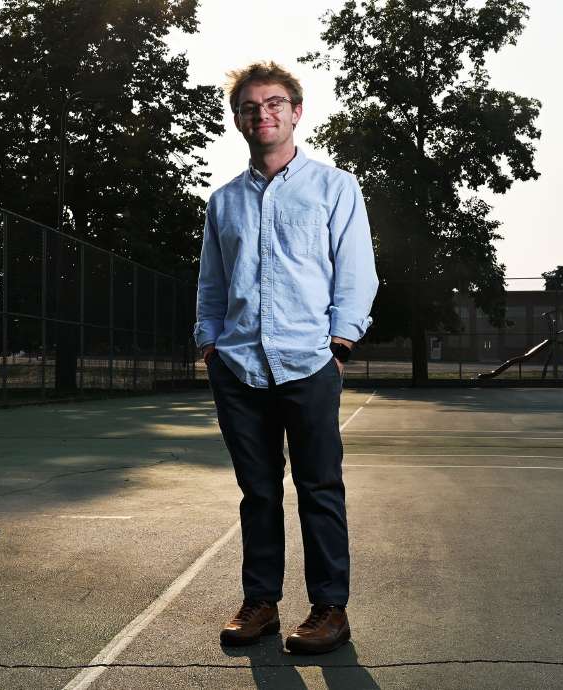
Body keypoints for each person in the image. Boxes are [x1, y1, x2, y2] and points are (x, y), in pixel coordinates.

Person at [194, 62, 378, 654]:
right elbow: (212, 283)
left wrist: (341, 340)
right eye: (250, 106)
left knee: (320, 487)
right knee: (258, 491)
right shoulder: (223, 203)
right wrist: (210, 342)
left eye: (274, 103)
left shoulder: (335, 187)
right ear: (239, 119)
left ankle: (330, 608)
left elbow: (355, 270)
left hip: (308, 361)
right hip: (239, 365)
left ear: (296, 112)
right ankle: (261, 604)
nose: (263, 113)